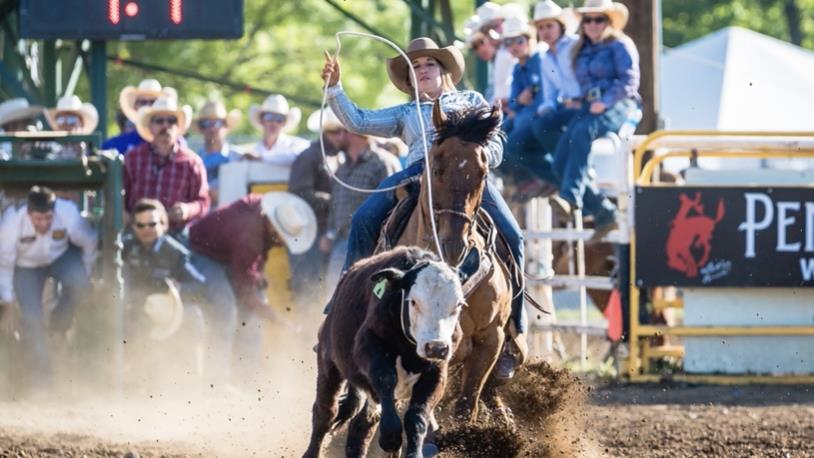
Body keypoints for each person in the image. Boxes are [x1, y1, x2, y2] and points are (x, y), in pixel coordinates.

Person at [322, 36, 526, 378]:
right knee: (363, 219)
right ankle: (343, 309)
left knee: (514, 237)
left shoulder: (472, 100)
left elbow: (497, 143)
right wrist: (335, 89)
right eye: (415, 67)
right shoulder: (405, 112)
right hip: (418, 174)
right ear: (409, 79)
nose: (422, 70)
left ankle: (514, 332)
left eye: (429, 63)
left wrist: (476, 161)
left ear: (444, 70)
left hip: (469, 179)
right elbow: (358, 121)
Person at [187, 192, 316, 385]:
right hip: (201, 253)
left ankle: (246, 378)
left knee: (254, 313)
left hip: (227, 255)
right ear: (274, 225)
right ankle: (216, 380)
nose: (283, 242)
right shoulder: (249, 232)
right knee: (226, 307)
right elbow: (245, 290)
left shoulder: (262, 213)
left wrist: (257, 276)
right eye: (283, 236)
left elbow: (250, 263)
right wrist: (277, 319)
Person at [550, 0, 641, 238]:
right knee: (559, 161)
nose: (592, 24)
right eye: (587, 19)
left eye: (598, 19)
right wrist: (580, 100)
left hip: (621, 104)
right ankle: (604, 213)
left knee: (581, 133)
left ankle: (570, 199)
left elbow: (629, 82)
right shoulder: (581, 48)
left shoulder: (620, 44)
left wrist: (606, 100)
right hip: (590, 107)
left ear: (608, 21)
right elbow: (585, 85)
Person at [122, 198, 235, 386]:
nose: (146, 229)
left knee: (193, 316)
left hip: (167, 313)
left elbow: (200, 285)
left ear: (163, 225)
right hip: (133, 309)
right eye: (140, 225)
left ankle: (187, 382)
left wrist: (176, 291)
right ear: (133, 227)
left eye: (152, 224)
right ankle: (124, 379)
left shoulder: (175, 253)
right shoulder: (124, 247)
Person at [0, 186, 97, 393]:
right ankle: (41, 378)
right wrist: (8, 301)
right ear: (28, 214)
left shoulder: (68, 213)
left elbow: (89, 241)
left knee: (79, 283)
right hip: (26, 266)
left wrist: (87, 276)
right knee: (32, 319)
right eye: (38, 218)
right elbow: (5, 263)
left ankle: (59, 323)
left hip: (59, 257)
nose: (44, 223)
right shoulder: (11, 222)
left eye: (48, 218)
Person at [319, 129, 396, 288]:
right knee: (335, 286)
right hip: (341, 238)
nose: (338, 137)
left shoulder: (380, 163)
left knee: (363, 288)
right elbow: (336, 203)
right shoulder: (343, 166)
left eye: (341, 132)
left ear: (355, 135)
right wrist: (329, 232)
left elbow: (392, 202)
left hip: (370, 241)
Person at [123, 96, 209, 235]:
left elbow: (203, 203)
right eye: (159, 121)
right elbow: (119, 196)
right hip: (137, 231)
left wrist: (187, 209)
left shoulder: (192, 162)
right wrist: (123, 213)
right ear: (150, 126)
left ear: (178, 126)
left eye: (171, 120)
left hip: (175, 233)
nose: (165, 126)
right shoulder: (132, 158)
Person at [287, 108, 341, 301]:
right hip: (308, 230)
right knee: (307, 287)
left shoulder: (335, 156)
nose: (340, 135)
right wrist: (334, 201)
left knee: (321, 287)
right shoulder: (310, 156)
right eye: (335, 131)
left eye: (342, 131)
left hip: (323, 230)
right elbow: (299, 191)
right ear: (325, 133)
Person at [102, 79, 178, 155]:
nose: (148, 106)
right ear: (135, 107)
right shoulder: (113, 145)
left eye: (153, 101)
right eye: (143, 102)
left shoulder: (176, 143)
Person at [194, 100, 242, 206]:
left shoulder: (239, 158)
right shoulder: (194, 161)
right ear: (200, 128)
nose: (212, 128)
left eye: (217, 123)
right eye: (205, 124)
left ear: (226, 126)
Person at [503, 15, 544, 135]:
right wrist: (519, 101)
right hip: (523, 115)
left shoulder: (540, 62)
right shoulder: (517, 68)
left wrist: (518, 107)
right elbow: (513, 100)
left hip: (537, 117)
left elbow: (542, 100)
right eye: (508, 42)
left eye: (519, 41)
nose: (514, 46)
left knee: (515, 133)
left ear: (530, 40)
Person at [246, 94, 309, 166]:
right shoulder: (255, 149)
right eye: (268, 117)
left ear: (284, 123)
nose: (274, 122)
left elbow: (295, 157)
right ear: (261, 120)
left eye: (279, 118)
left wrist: (261, 157)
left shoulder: (297, 144)